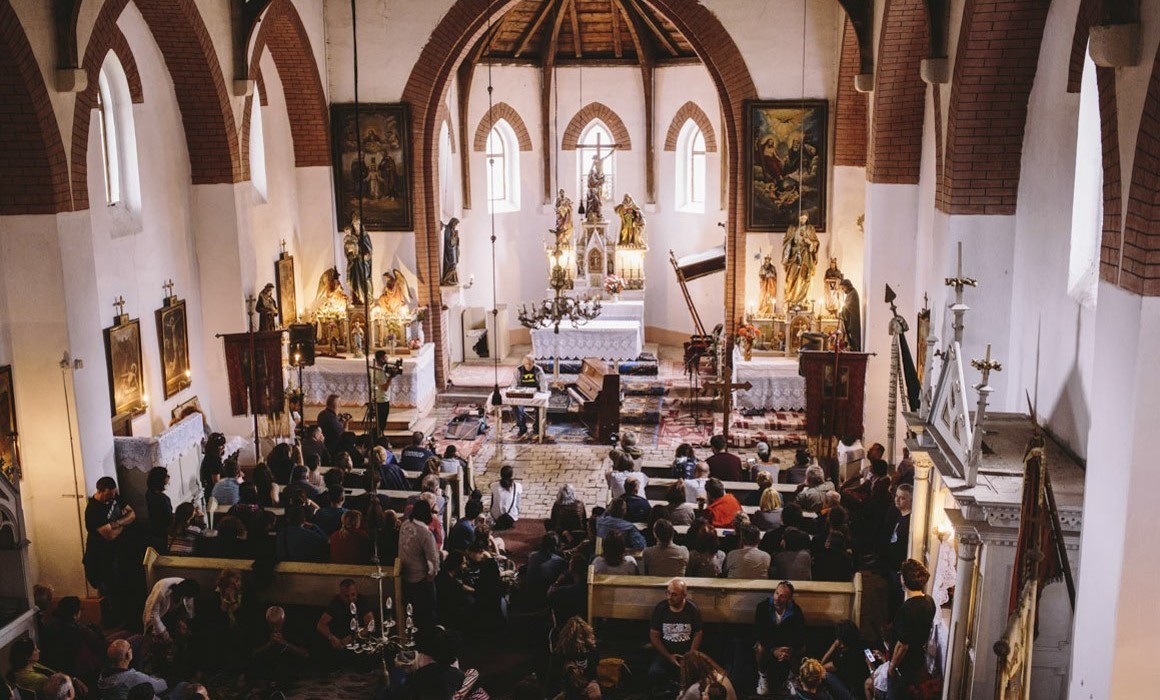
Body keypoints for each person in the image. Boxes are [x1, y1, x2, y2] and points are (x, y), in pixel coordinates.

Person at [82, 476, 135, 627]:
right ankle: (113, 624)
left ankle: (122, 619)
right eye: (109, 494)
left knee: (121, 588)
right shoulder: (93, 510)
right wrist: (124, 524)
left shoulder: (114, 496)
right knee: (111, 591)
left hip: (115, 554)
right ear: (99, 491)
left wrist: (118, 522)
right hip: (100, 558)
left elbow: (132, 514)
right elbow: (110, 535)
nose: (112, 497)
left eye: (113, 493)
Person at [884, 560, 936, 699]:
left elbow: (902, 645)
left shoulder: (907, 609)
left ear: (904, 579)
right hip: (918, 660)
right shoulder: (929, 602)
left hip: (904, 666)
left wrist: (892, 667)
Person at [755, 581, 807, 696]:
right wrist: (773, 650)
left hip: (786, 645)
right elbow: (759, 633)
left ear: (789, 599)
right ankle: (763, 678)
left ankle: (791, 678)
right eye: (776, 593)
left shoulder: (795, 611)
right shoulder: (763, 607)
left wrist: (789, 649)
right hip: (769, 645)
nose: (777, 598)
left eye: (782, 596)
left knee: (802, 649)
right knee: (759, 648)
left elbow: (800, 635)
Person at [649, 579, 703, 689]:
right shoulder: (661, 608)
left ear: (684, 595)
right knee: (654, 673)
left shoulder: (692, 609)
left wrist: (690, 655)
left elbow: (698, 633)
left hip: (687, 654)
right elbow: (654, 635)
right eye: (668, 593)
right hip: (665, 654)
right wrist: (669, 656)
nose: (669, 597)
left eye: (674, 594)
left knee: (696, 677)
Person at [399, 499, 440, 631]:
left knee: (411, 613)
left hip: (404, 575)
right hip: (420, 579)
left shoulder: (405, 524)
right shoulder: (426, 534)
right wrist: (430, 577)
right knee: (428, 613)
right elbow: (433, 562)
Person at [315, 579, 375, 665]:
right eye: (346, 596)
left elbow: (371, 626)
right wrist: (332, 638)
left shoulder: (362, 601)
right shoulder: (336, 602)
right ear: (341, 595)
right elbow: (320, 625)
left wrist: (353, 637)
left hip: (358, 638)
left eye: (353, 595)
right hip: (340, 638)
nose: (350, 599)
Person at [251, 606, 309, 689]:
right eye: (272, 625)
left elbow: (305, 654)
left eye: (278, 626)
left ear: (284, 620)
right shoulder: (260, 628)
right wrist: (269, 644)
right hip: (267, 665)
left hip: (287, 665)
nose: (275, 628)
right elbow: (254, 654)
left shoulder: (294, 627)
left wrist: (285, 643)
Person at [94, 639, 165, 699]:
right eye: (130, 647)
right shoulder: (133, 677)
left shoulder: (102, 676)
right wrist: (156, 676)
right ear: (128, 654)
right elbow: (161, 686)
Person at [782, 212, 819, 307]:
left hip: (805, 255)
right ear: (798, 218)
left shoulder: (810, 228)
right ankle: (791, 299)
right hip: (794, 255)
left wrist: (810, 242)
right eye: (801, 218)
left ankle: (803, 300)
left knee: (804, 276)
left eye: (805, 219)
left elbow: (816, 242)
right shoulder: (792, 228)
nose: (803, 220)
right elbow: (786, 241)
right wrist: (791, 243)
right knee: (792, 276)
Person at [510, 355, 546, 437]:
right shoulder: (518, 370)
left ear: (533, 363)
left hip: (535, 394)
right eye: (526, 364)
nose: (528, 366)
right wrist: (514, 391)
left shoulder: (538, 370)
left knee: (540, 406)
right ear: (523, 363)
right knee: (515, 406)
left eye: (530, 364)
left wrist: (542, 393)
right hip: (522, 394)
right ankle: (522, 427)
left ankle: (537, 427)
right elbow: (514, 384)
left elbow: (543, 383)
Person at [144, 467, 172, 550]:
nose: (168, 477)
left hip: (154, 527)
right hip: (164, 531)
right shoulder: (163, 499)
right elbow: (169, 518)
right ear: (161, 480)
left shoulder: (149, 493)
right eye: (166, 476)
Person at [371, 350, 395, 435]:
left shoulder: (378, 369)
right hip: (382, 399)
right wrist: (391, 377)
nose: (387, 359)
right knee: (381, 422)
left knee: (381, 422)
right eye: (385, 357)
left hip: (380, 398)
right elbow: (385, 387)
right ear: (381, 359)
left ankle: (380, 436)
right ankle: (379, 437)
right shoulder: (379, 372)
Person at [838, 279, 861, 351]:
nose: (843, 290)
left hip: (853, 319)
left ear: (847, 286)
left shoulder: (853, 294)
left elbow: (849, 306)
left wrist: (843, 310)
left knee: (853, 336)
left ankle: (855, 349)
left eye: (843, 288)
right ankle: (852, 348)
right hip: (849, 318)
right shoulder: (850, 294)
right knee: (850, 337)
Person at [440, 217, 461, 286]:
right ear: (452, 223)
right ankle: (446, 279)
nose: (455, 226)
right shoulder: (447, 230)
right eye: (455, 224)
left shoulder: (451, 230)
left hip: (453, 251)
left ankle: (451, 279)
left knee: (454, 265)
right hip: (449, 252)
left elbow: (455, 242)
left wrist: (456, 238)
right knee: (452, 265)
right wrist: (455, 237)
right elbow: (448, 241)